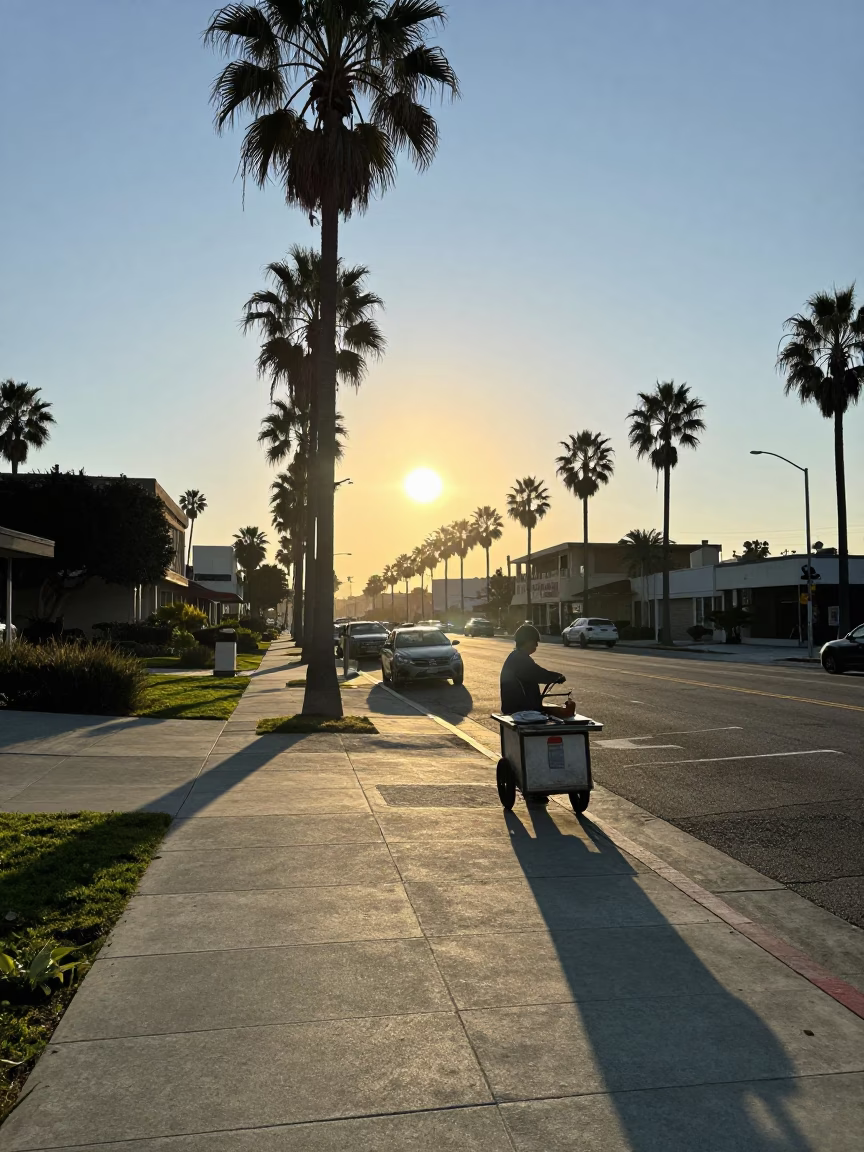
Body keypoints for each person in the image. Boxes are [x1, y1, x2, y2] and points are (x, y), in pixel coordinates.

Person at [500, 623, 577, 719]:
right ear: (526, 641)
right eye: (534, 641)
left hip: (517, 708)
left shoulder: (517, 656)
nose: (536, 645)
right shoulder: (520, 659)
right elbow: (537, 673)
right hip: (520, 711)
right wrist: (556, 677)